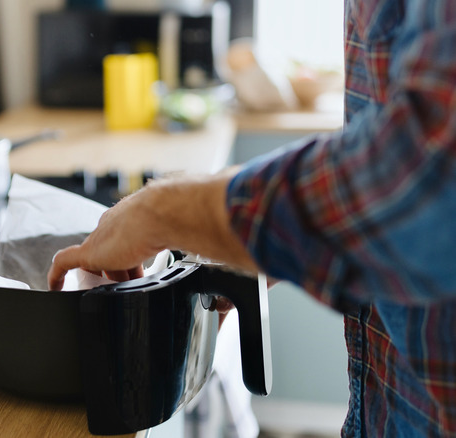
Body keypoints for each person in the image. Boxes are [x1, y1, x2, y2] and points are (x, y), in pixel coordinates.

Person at [48, 1, 456, 436]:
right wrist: (261, 240)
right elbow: (385, 134)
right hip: (387, 409)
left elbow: (427, 175)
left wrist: (159, 211)